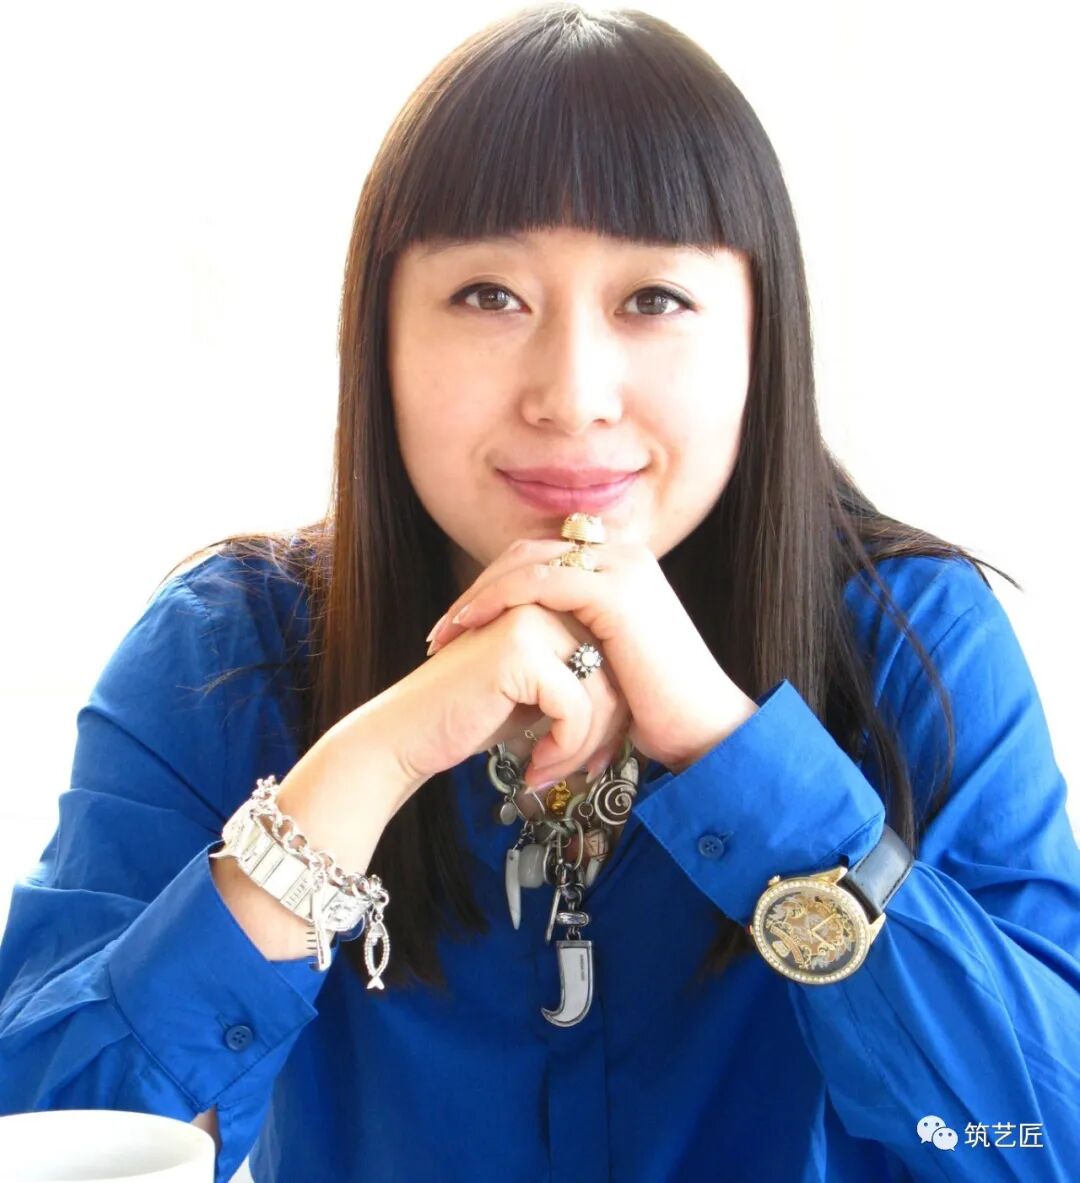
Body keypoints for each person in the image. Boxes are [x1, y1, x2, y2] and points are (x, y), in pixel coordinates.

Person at [1, 4, 1078, 1181]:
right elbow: (45, 1141)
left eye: (652, 300)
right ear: (379, 338)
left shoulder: (913, 638)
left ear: (760, 341)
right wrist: (362, 771)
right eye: (487, 295)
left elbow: (1041, 1141)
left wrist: (742, 765)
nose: (571, 395)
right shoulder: (224, 651)